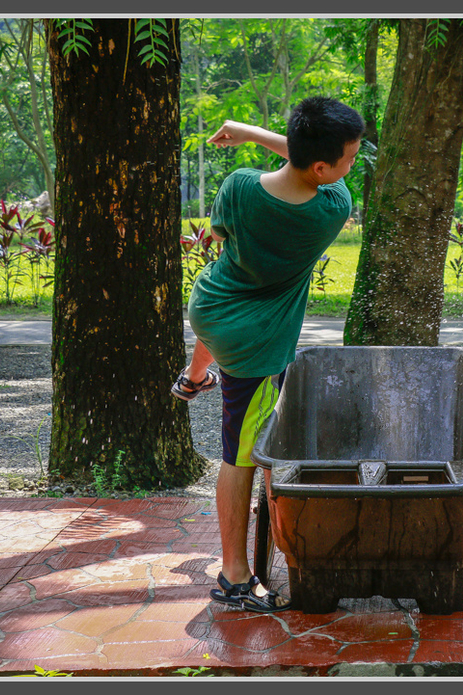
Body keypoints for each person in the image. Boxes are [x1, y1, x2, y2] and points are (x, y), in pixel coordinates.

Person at [172, 96, 365, 611]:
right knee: (241, 454)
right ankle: (235, 576)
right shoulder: (332, 208)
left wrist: (250, 137)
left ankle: (192, 379)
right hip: (255, 340)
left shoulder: (237, 186)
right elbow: (309, 166)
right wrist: (253, 131)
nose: (353, 165)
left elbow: (220, 236)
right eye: (349, 157)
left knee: (221, 354)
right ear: (324, 168)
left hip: (211, 304)